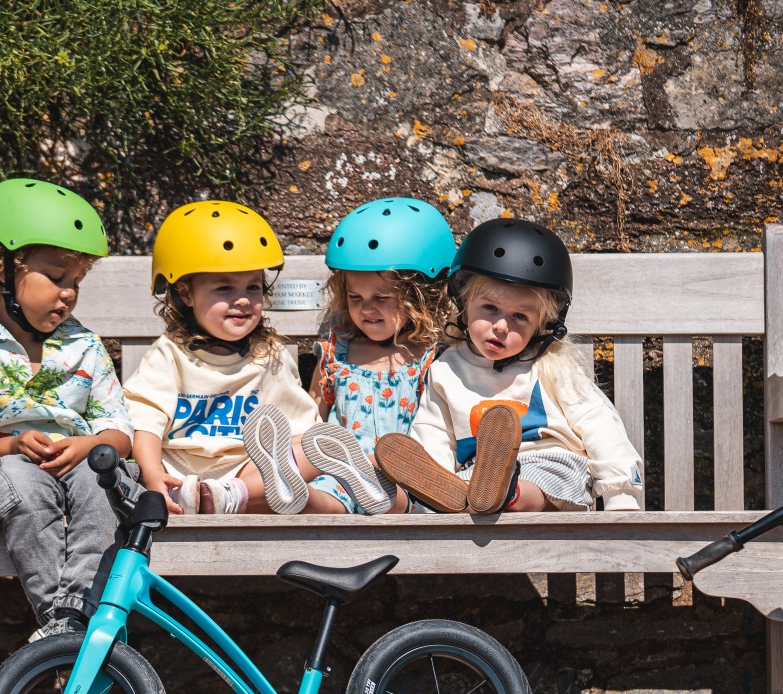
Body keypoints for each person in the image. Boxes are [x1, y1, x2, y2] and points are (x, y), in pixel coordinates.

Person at [0, 177, 137, 641]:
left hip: (81, 466)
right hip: (2, 473)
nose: (69, 292)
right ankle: (66, 626)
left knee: (104, 478)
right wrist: (10, 444)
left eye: (76, 282)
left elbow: (121, 438)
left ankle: (72, 616)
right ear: (1, 270)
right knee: (21, 481)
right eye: (56, 277)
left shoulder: (85, 346)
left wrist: (89, 444)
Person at [125, 200, 386, 515]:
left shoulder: (268, 355)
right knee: (281, 474)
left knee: (313, 445)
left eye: (253, 286)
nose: (243, 300)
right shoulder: (169, 354)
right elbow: (145, 424)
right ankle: (218, 497)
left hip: (249, 472)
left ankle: (232, 495)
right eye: (224, 288)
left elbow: (300, 427)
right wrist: (154, 476)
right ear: (185, 293)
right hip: (181, 477)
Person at [374, 217, 644, 514]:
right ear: (464, 305)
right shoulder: (446, 370)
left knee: (534, 481)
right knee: (463, 490)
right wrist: (435, 479)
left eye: (520, 317)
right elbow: (433, 429)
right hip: (478, 475)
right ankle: (463, 496)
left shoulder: (552, 366)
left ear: (543, 324)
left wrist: (621, 494)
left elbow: (600, 424)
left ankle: (508, 494)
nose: (501, 326)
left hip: (551, 465)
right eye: (490, 308)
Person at [304, 197, 453, 515]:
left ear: (420, 295)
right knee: (327, 491)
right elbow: (313, 415)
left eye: (382, 297)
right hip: (340, 480)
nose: (366, 308)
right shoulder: (336, 355)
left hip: (406, 481)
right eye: (355, 297)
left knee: (393, 492)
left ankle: (369, 487)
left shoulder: (434, 360)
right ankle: (299, 498)